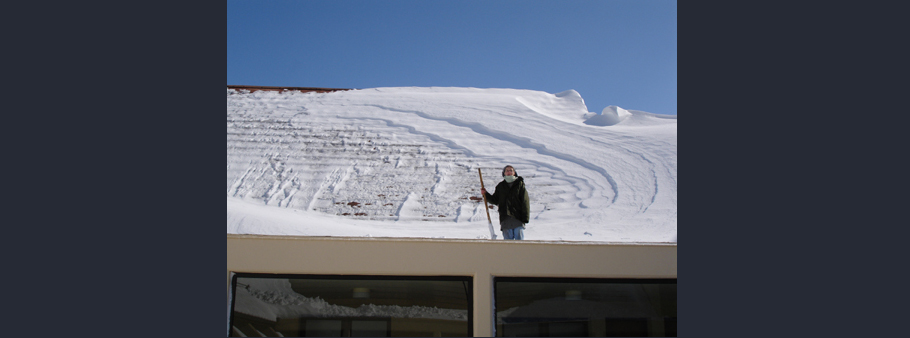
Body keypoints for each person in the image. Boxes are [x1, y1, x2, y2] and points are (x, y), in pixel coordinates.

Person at [481, 165, 530, 240]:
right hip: (505, 219)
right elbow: (495, 200)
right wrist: (485, 194)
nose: (509, 172)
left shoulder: (519, 185)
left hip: (518, 218)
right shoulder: (500, 186)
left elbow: (525, 201)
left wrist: (525, 217)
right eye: (507, 170)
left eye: (511, 170)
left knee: (520, 244)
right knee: (507, 245)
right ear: (504, 173)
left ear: (514, 173)